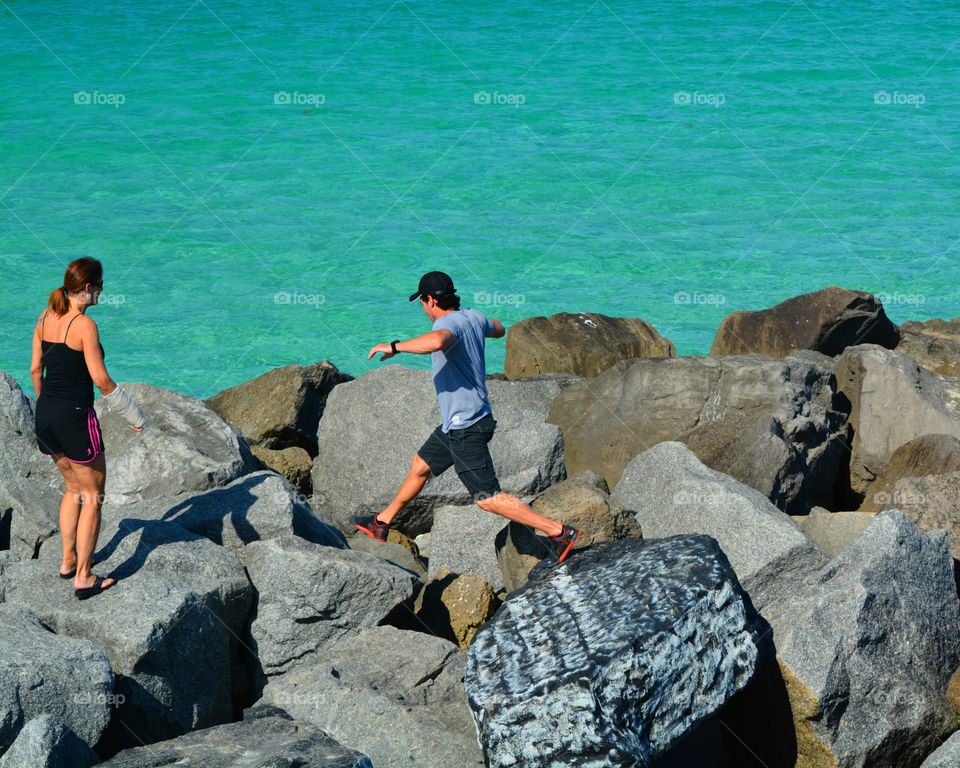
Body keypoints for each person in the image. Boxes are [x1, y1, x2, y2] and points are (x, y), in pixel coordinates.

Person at [351, 271, 580, 563]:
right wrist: (481, 329)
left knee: (487, 498)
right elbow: (498, 328)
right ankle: (381, 522)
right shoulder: (473, 317)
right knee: (421, 466)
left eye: (422, 302)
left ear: (431, 300)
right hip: (464, 421)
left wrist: (394, 346)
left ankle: (558, 532)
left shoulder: (446, 324)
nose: (423, 309)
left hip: (466, 426)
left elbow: (437, 341)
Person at [30, 258, 146, 600]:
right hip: (76, 417)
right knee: (93, 496)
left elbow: (36, 370)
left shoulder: (44, 316)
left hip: (45, 415)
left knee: (72, 488)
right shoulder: (84, 326)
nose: (102, 292)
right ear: (87, 288)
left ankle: (68, 562)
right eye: (101, 286)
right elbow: (100, 379)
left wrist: (48, 406)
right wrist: (134, 415)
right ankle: (84, 575)